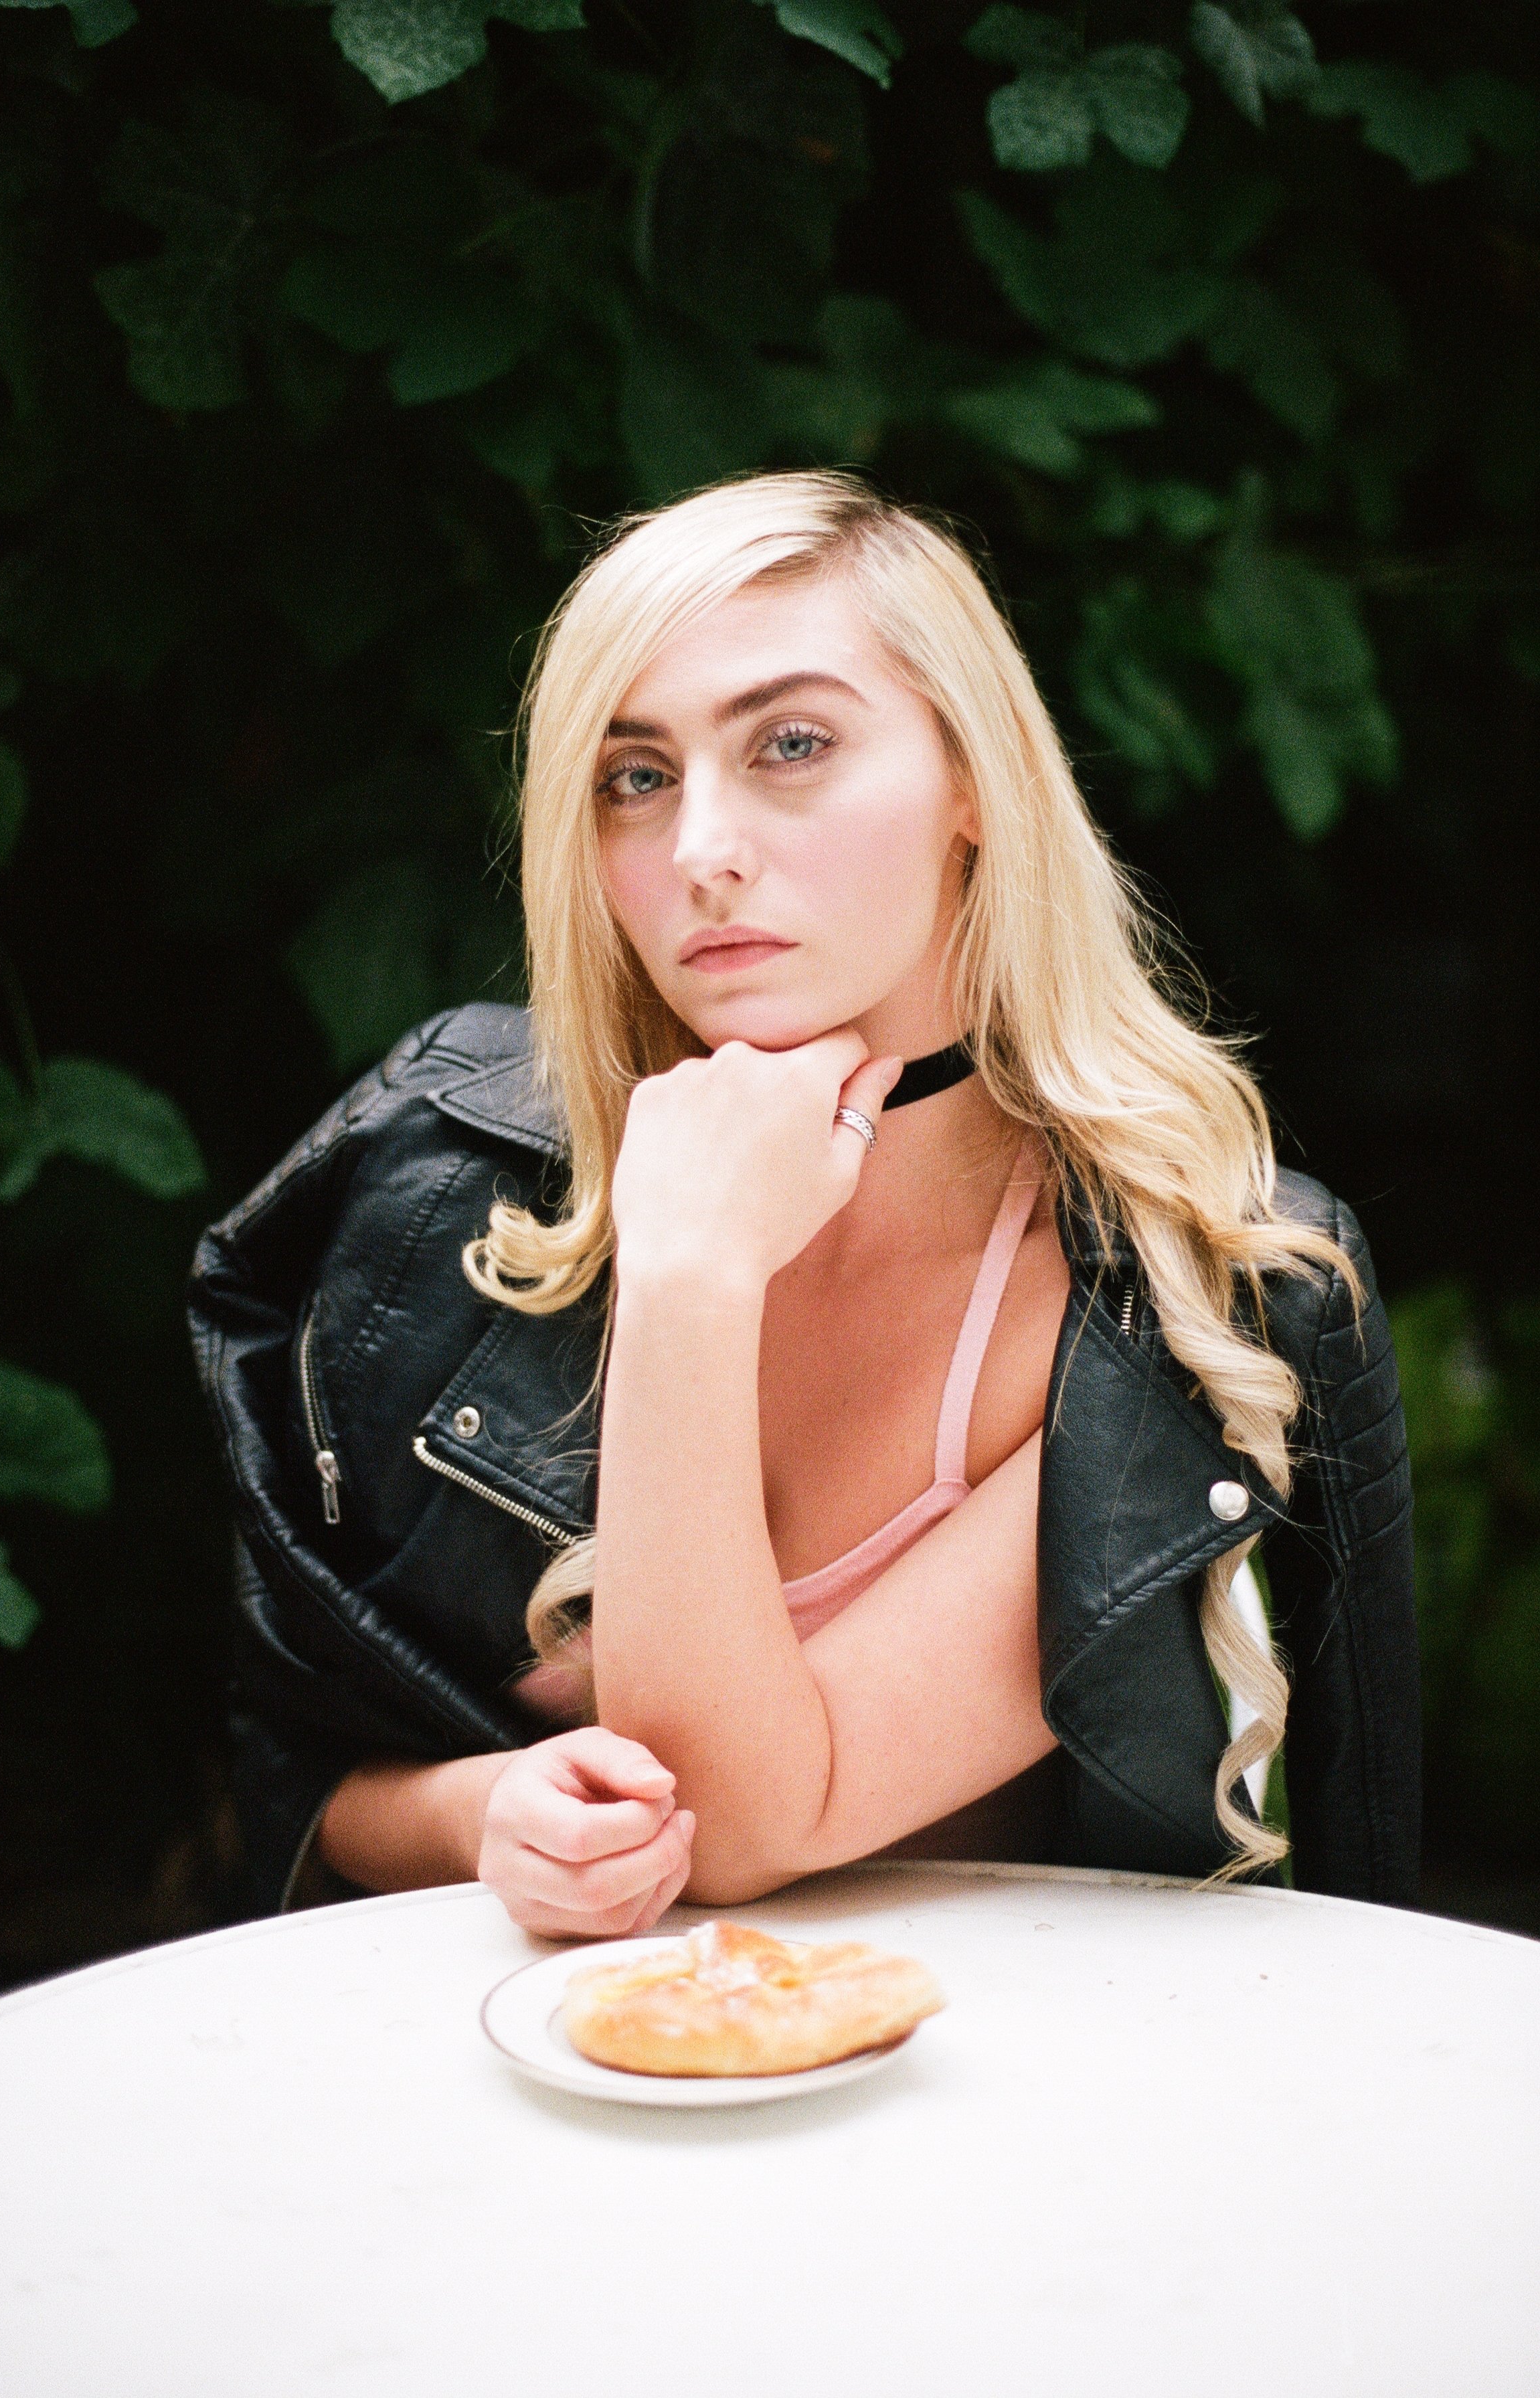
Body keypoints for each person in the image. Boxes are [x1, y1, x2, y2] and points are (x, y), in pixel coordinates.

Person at [189, 471, 1418, 1938]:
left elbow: (746, 1817)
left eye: (791, 743)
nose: (702, 846)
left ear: (975, 781)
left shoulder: (1179, 1291)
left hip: (1001, 2122)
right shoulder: (438, 1176)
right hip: (541, 2104)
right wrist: (477, 1816)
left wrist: (696, 1283)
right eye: (635, 776)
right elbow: (290, 1774)